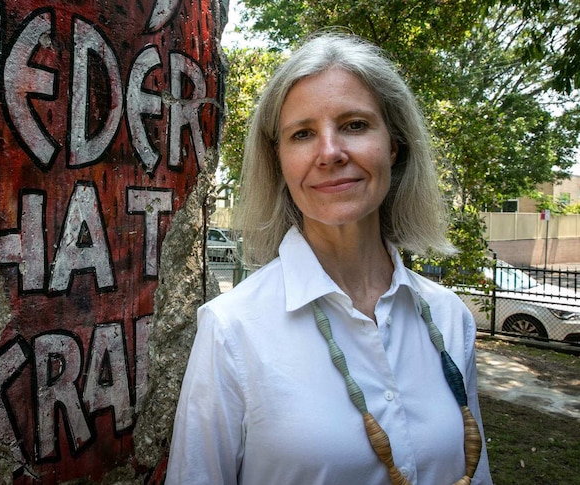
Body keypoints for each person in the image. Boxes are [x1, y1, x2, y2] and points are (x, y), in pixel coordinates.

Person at [165, 32, 493, 485]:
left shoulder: (450, 319)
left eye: (355, 125)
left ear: (393, 144)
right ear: (278, 159)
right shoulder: (232, 332)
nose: (330, 153)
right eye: (302, 134)